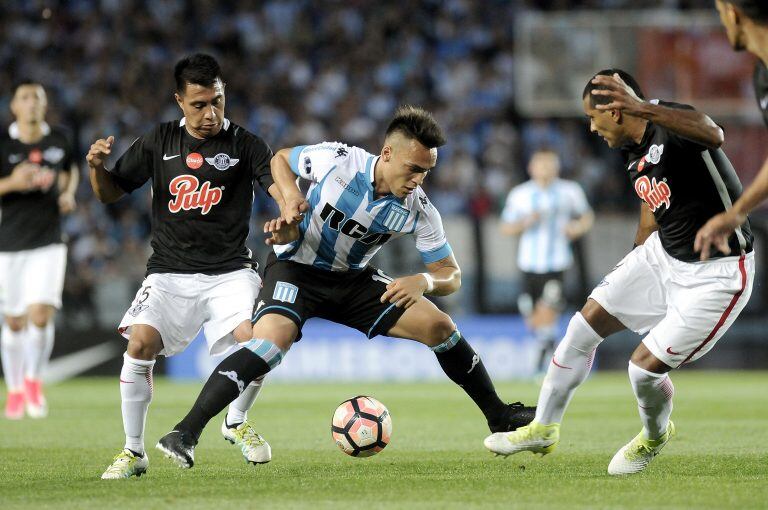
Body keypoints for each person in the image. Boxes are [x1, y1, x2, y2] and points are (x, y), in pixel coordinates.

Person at [155, 105, 536, 469]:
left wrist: (424, 280)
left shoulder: (419, 207)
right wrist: (291, 201)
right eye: (413, 168)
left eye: (426, 171)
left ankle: (498, 416)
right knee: (270, 343)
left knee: (441, 326)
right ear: (386, 153)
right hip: (296, 270)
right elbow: (282, 159)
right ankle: (185, 432)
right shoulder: (339, 159)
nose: (419, 179)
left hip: (352, 280)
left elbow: (450, 274)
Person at [485, 70, 755, 476]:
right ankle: (543, 426)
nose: (592, 128)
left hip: (717, 275)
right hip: (662, 256)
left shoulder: (671, 122)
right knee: (582, 326)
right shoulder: (633, 151)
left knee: (641, 370)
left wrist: (643, 107)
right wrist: (630, 266)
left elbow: (714, 133)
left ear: (617, 110)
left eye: (594, 117)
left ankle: (654, 434)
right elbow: (650, 214)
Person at [88, 54, 284, 479]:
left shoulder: (246, 145)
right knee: (139, 345)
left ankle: (235, 421)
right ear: (179, 100)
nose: (210, 113)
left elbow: (276, 184)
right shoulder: (158, 141)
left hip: (231, 271)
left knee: (259, 340)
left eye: (217, 101)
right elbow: (110, 193)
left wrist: (288, 207)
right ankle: (133, 451)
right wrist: (95, 169)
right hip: (169, 271)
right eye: (199, 104)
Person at [0, 80, 78, 420]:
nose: (31, 103)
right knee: (15, 321)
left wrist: (67, 193)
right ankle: (15, 389)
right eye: (25, 98)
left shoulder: (59, 139)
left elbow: (70, 170)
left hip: (48, 241)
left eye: (37, 98)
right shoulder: (3, 143)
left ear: (44, 105)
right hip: (8, 243)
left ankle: (33, 380)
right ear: (14, 106)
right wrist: (13, 184)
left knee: (41, 314)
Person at [500, 149, 593, 375]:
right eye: (541, 164)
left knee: (548, 309)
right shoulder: (520, 194)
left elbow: (586, 215)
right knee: (532, 316)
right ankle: (547, 346)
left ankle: (547, 363)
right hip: (528, 264)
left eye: (550, 164)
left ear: (557, 167)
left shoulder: (569, 191)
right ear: (531, 168)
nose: (546, 169)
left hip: (557, 263)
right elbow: (505, 227)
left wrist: (577, 228)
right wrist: (524, 223)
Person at [695, 1, 768, 259]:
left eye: (719, 14)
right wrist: (735, 213)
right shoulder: (762, 75)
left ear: (732, 13)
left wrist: (736, 213)